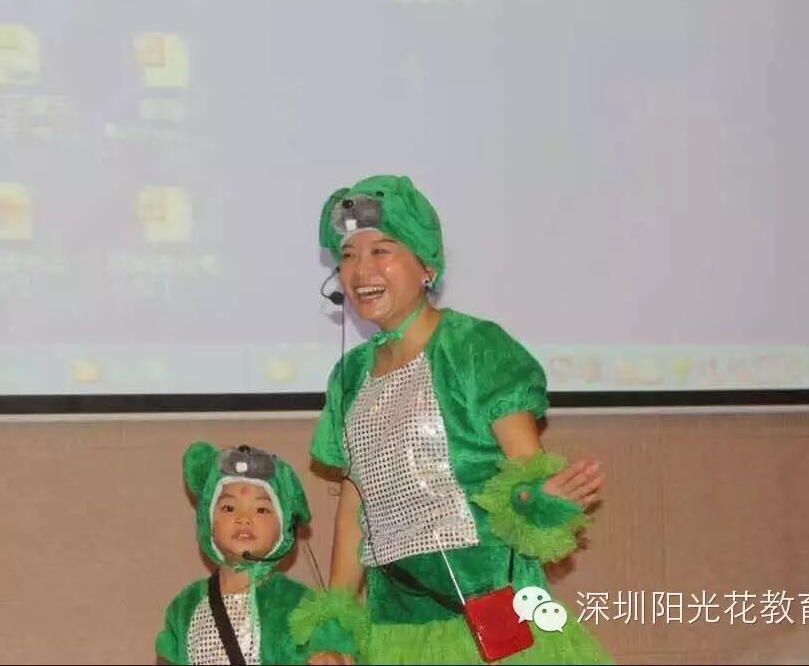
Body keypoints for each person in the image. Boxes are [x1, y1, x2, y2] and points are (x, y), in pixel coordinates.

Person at [309, 174, 613, 664]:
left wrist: (540, 500)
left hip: (489, 623)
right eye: (348, 255)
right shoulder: (349, 377)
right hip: (394, 634)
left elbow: (526, 468)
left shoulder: (474, 348)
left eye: (382, 250)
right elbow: (353, 513)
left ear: (427, 265)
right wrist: (334, 629)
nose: (361, 270)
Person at [156, 442, 367, 665]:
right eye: (229, 508)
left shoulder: (302, 607)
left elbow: (343, 650)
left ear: (285, 524)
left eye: (261, 509)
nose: (243, 518)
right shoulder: (184, 608)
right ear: (207, 520)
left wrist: (335, 657)